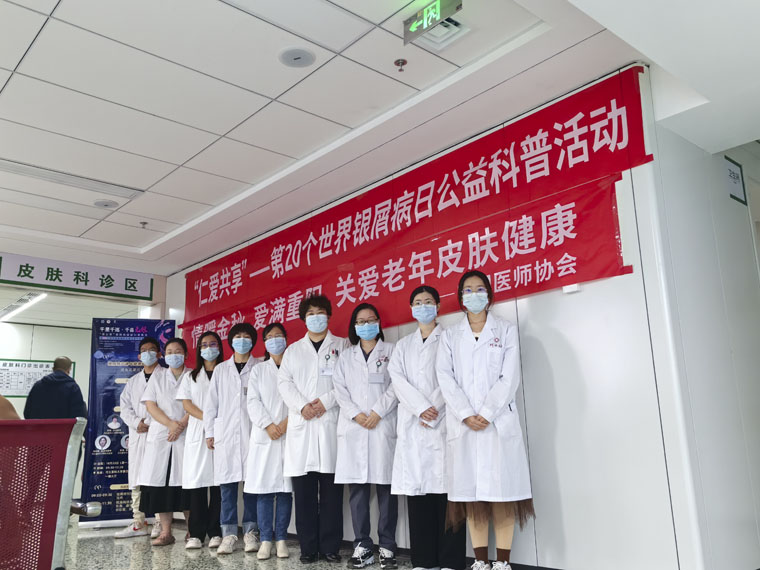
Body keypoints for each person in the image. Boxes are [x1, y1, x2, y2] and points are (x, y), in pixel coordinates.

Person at [435, 271, 534, 570]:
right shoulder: (450, 336)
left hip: (498, 423)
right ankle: (480, 561)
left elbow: (509, 377)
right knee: (473, 497)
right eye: (467, 290)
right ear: (460, 297)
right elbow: (445, 377)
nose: (474, 294)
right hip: (464, 425)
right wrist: (466, 413)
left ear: (489, 295)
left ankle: (502, 562)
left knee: (503, 494)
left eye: (479, 289)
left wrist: (487, 412)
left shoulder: (506, 330)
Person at [389, 285, 466, 570]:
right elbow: (397, 379)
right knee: (418, 494)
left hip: (445, 421)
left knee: (448, 495)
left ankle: (450, 561)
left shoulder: (451, 339)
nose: (423, 306)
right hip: (413, 423)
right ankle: (423, 559)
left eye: (428, 301)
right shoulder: (402, 345)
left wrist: (432, 408)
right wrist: (420, 407)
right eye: (418, 302)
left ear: (438, 306)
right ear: (411, 308)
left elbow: (453, 378)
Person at [278, 294, 349, 564]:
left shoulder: (342, 345)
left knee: (332, 495)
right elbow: (284, 383)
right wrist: (302, 406)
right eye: (311, 313)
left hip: (330, 423)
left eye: (320, 312)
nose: (316, 317)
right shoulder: (293, 350)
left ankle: (330, 547)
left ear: (328, 315)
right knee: (305, 495)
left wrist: (326, 402)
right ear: (303, 319)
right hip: (302, 426)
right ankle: (308, 548)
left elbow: (347, 381)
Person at [333, 303, 398, 569]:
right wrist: (356, 415)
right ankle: (362, 546)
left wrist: (378, 411)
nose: (366, 325)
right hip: (355, 428)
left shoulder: (392, 351)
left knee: (386, 490)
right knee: (358, 492)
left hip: (382, 426)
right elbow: (339, 390)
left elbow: (397, 385)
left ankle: (387, 546)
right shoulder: (346, 357)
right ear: (354, 326)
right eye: (361, 321)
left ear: (379, 323)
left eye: (371, 320)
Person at [204, 322, 261, 555]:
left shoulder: (259, 367)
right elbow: (211, 404)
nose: (242, 340)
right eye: (237, 337)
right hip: (226, 435)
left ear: (253, 341)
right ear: (231, 341)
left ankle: (250, 533)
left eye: (246, 336)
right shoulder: (221, 370)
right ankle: (228, 534)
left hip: (253, 434)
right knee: (226, 489)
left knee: (252, 488)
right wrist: (210, 432)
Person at [138, 337, 191, 547]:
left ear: (186, 354)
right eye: (169, 352)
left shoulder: (192, 376)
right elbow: (150, 405)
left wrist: (181, 425)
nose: (173, 355)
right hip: (162, 435)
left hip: (186, 435)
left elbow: (198, 404)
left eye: (178, 351)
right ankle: (166, 532)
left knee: (187, 486)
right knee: (161, 487)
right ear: (164, 355)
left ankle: (192, 531)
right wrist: (170, 424)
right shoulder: (157, 377)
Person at [245, 323, 292, 560]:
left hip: (290, 432)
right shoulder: (258, 370)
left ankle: (281, 539)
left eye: (278, 336)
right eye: (270, 337)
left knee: (285, 491)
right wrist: (268, 425)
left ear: (286, 339)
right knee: (264, 491)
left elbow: (300, 397)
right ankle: (265, 539)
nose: (275, 340)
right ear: (264, 342)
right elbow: (252, 401)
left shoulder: (294, 366)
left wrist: (286, 423)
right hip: (265, 434)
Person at [177, 331, 224, 550]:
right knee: (197, 484)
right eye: (204, 344)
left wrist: (215, 420)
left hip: (222, 430)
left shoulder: (226, 372)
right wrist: (208, 417)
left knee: (218, 485)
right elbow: (186, 404)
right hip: (198, 430)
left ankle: (216, 532)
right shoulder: (191, 376)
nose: (208, 348)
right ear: (198, 349)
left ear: (220, 347)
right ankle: (196, 533)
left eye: (212, 344)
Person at [115, 337, 161, 539]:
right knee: (136, 479)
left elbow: (170, 406)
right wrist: (137, 423)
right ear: (139, 356)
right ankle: (138, 522)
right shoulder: (133, 381)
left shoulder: (166, 376)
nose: (148, 353)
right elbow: (125, 408)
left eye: (152, 350)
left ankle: (160, 522)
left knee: (159, 478)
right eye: (144, 350)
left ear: (159, 354)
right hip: (138, 434)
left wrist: (151, 422)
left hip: (159, 434)